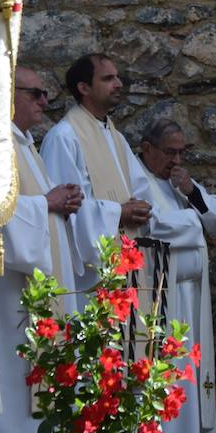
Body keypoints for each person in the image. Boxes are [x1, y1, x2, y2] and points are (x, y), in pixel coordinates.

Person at [0, 67, 83, 433]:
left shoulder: (27, 146)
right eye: (36, 94)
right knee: (18, 379)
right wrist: (45, 203)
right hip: (14, 293)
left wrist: (59, 203)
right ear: (8, 95)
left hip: (43, 288)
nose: (44, 102)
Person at [138, 119, 216, 433]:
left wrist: (192, 193)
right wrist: (194, 222)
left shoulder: (179, 185)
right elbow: (155, 226)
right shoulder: (138, 181)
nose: (176, 159)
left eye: (182, 152)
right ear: (147, 148)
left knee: (193, 376)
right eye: (169, 152)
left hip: (193, 299)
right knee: (171, 376)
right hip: (164, 297)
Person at [41, 53, 152, 276]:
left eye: (117, 77)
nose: (118, 84)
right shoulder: (64, 137)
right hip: (89, 272)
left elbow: (141, 188)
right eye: (108, 78)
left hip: (125, 252)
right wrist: (118, 213)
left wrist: (141, 208)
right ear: (84, 88)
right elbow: (67, 206)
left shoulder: (115, 136)